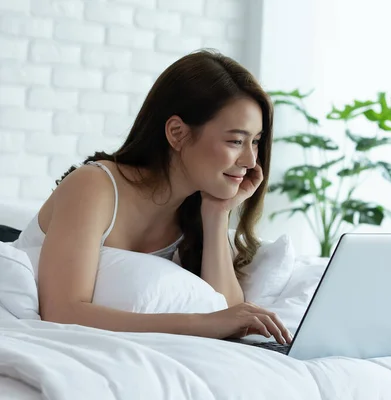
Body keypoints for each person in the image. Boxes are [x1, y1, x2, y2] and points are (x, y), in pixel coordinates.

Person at [12, 50, 293, 345]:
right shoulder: (94, 186)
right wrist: (200, 323)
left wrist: (217, 214)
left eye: (256, 142)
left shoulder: (195, 210)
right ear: (177, 133)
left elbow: (227, 315)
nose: (250, 160)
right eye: (236, 141)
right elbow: (61, 312)